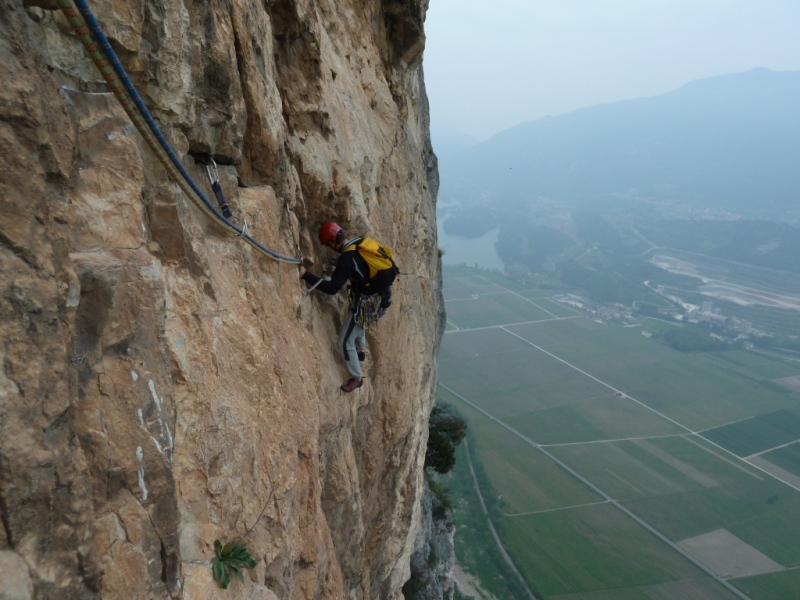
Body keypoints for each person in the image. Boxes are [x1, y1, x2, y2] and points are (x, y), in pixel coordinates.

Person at [300, 221, 393, 393]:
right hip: (381, 296)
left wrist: (306, 275)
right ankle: (360, 349)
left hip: (368, 303)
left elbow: (332, 288)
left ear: (331, 242)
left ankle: (357, 378)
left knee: (343, 341)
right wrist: (338, 271)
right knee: (359, 321)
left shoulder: (346, 258)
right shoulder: (358, 243)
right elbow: (361, 270)